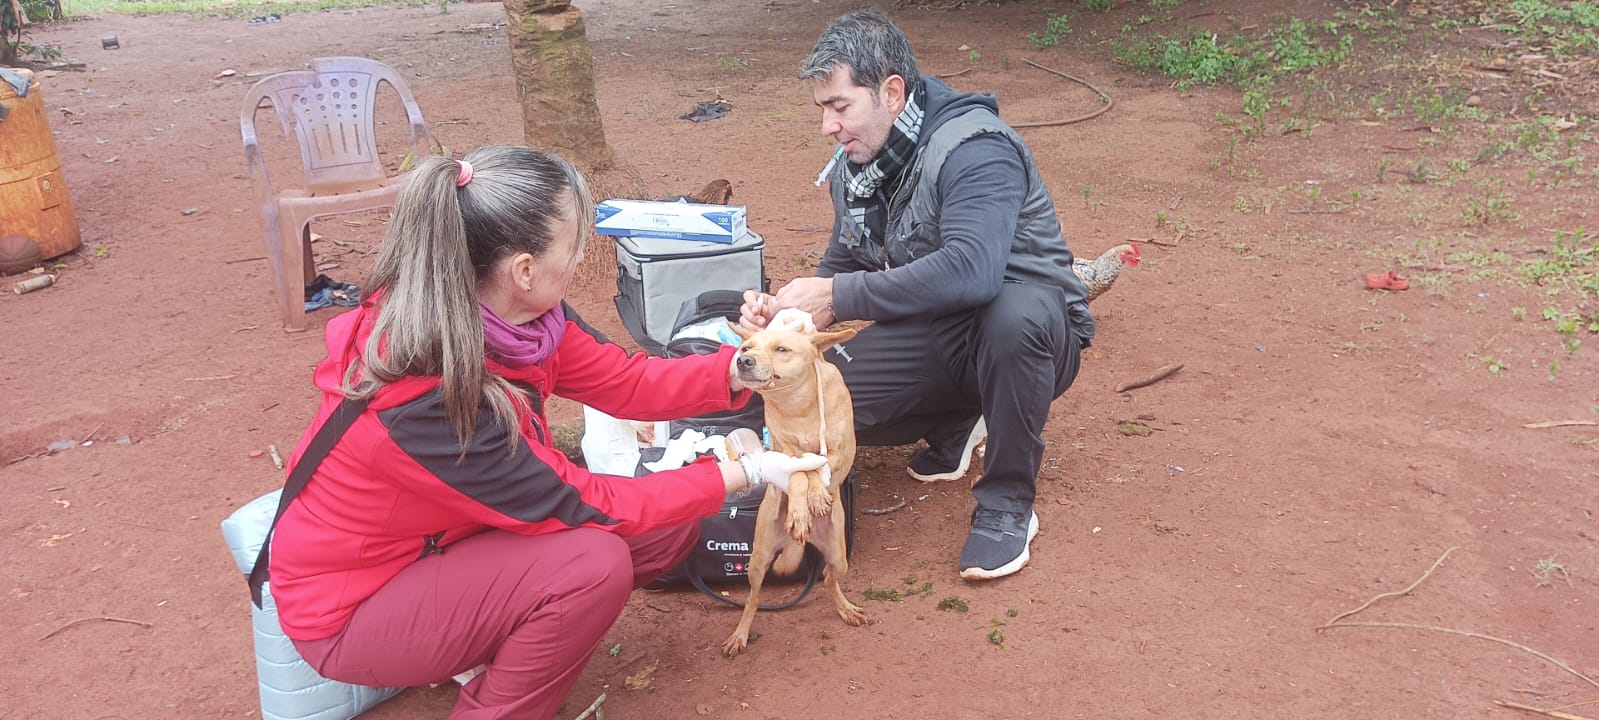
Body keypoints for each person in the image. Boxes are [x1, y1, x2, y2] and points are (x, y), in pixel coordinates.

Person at [269, 145, 827, 720]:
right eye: (573, 245)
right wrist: (748, 470)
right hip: (352, 607)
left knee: (668, 525)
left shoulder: (519, 319)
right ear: (523, 270)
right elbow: (587, 503)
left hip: (444, 539)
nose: (581, 257)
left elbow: (626, 382)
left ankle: (492, 637)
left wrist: (743, 364)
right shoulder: (428, 401)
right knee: (591, 564)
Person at [740, 9, 1095, 581]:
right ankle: (960, 420)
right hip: (941, 327)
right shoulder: (855, 161)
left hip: (1032, 334)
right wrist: (789, 316)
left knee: (1014, 315)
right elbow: (848, 258)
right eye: (822, 110)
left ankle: (1007, 502)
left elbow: (974, 272)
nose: (828, 127)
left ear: (892, 92)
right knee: (827, 399)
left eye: (839, 107)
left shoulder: (977, 149)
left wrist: (837, 293)